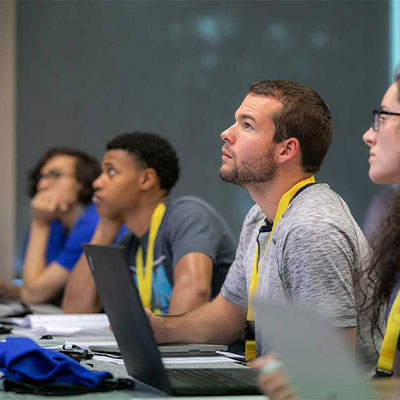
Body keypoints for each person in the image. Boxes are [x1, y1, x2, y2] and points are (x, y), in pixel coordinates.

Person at [145, 79, 376, 370]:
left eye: (247, 125)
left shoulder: (311, 227)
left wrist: (263, 372)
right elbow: (229, 315)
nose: (226, 134)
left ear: (286, 150)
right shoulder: (259, 216)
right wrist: (158, 328)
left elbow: (332, 359)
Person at [258, 71, 400, 397]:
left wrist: (330, 381)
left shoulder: (316, 224)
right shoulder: (388, 210)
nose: (368, 135)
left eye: (383, 118)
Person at [62, 132, 236, 316]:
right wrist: (104, 229)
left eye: (111, 171)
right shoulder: (129, 245)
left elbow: (195, 291)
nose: (97, 183)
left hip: (217, 345)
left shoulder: (188, 216)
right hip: (168, 343)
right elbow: (75, 312)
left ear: (146, 180)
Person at [0, 148, 102, 305]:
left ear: (82, 183)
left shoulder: (94, 221)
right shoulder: (55, 224)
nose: (42, 185)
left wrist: (39, 223)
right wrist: (7, 289)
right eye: (41, 177)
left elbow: (34, 294)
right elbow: (40, 287)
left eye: (56, 175)